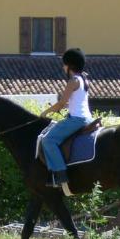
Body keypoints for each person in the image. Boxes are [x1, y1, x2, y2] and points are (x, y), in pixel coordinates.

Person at [39, 48, 92, 190]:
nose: (63, 67)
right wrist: (63, 107)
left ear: (70, 66)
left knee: (48, 140)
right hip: (87, 118)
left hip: (77, 120)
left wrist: (46, 112)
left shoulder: (73, 81)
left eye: (64, 64)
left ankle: (60, 174)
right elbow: (73, 102)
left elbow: (62, 102)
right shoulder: (84, 79)